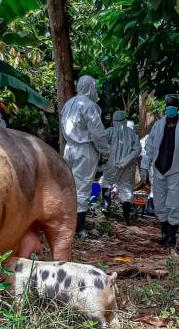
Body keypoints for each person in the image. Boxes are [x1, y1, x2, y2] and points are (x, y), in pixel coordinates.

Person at [140, 94, 179, 247]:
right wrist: (145, 165)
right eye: (168, 105)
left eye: (173, 105)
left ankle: (171, 236)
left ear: (177, 108)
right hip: (158, 170)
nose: (170, 108)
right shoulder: (158, 125)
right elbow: (150, 146)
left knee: (174, 205)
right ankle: (164, 233)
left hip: (176, 172)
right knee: (159, 204)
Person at [61, 75, 109, 237]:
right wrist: (105, 150)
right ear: (90, 87)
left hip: (69, 149)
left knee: (69, 186)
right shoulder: (89, 106)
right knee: (82, 187)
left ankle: (67, 223)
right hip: (85, 150)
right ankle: (79, 228)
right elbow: (97, 133)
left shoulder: (69, 104)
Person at [101, 110, 142, 225]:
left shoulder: (110, 131)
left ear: (113, 121)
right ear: (125, 120)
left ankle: (105, 206)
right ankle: (126, 219)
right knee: (126, 189)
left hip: (112, 164)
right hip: (128, 166)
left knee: (107, 182)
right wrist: (126, 160)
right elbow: (138, 149)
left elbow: (100, 141)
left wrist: (105, 153)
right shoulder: (132, 134)